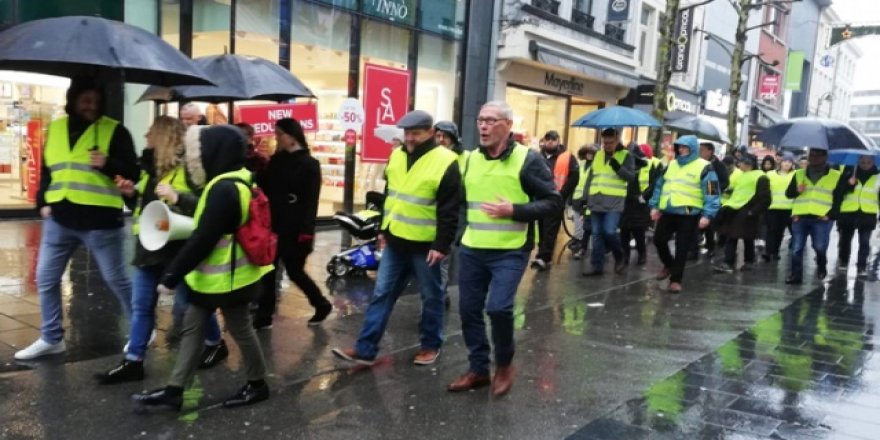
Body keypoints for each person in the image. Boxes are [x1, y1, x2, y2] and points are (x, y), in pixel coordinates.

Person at [133, 125, 274, 411]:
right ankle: (175, 390)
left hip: (227, 279)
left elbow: (203, 237)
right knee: (193, 327)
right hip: (216, 278)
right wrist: (180, 199)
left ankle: (258, 385)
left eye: (201, 152)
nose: (198, 159)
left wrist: (172, 275)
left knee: (240, 330)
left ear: (215, 152)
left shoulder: (224, 188)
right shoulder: (233, 181)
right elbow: (205, 217)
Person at [94, 117, 227, 384]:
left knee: (192, 303)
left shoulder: (191, 169)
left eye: (152, 132)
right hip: (149, 249)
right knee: (141, 305)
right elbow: (143, 210)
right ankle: (134, 361)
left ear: (165, 136)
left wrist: (178, 198)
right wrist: (130, 194)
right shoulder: (149, 168)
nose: (146, 136)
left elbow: (207, 205)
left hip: (179, 251)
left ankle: (215, 343)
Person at [15, 77, 139, 361]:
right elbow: (48, 171)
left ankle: (142, 328)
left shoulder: (115, 131)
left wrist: (108, 164)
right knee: (45, 278)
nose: (91, 106)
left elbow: (133, 173)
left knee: (117, 279)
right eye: (85, 100)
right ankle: (51, 338)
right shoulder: (56, 128)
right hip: (60, 218)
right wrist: (42, 202)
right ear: (73, 100)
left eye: (96, 101)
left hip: (100, 220)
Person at [447, 101, 561, 396]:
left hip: (510, 249)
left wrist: (515, 210)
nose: (483, 126)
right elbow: (461, 202)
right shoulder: (470, 159)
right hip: (473, 248)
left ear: (508, 126)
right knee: (469, 310)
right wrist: (459, 234)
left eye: (491, 120)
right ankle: (478, 369)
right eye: (481, 120)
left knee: (498, 308)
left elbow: (553, 202)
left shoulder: (528, 159)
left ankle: (505, 364)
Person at [332, 110, 460, 367]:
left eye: (416, 133)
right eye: (407, 133)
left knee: (431, 296)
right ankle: (365, 349)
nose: (410, 138)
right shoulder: (397, 155)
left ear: (431, 133)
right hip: (396, 241)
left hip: (426, 245)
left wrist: (442, 245)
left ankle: (430, 346)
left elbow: (450, 209)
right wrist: (383, 230)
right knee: (382, 294)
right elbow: (391, 196)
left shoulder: (446, 160)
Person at [253, 118, 332, 329]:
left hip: (295, 224)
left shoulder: (309, 164)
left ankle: (320, 303)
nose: (276, 138)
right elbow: (264, 184)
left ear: (291, 136)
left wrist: (306, 231)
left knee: (294, 269)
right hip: (274, 220)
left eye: (279, 134)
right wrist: (260, 163)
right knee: (268, 269)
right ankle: (264, 315)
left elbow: (311, 200)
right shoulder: (276, 160)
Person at [649, 135, 720, 293]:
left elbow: (712, 191)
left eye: (684, 147)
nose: (681, 150)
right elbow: (660, 185)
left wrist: (708, 215)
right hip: (668, 210)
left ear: (692, 148)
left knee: (682, 248)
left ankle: (675, 280)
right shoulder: (671, 164)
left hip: (689, 213)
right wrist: (655, 206)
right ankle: (669, 264)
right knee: (659, 240)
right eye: (679, 147)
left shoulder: (704, 166)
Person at [581, 128, 636, 276]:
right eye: (604, 142)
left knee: (609, 231)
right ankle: (597, 266)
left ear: (617, 140)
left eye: (610, 142)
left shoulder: (626, 156)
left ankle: (620, 255)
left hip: (614, 201)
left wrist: (617, 167)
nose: (607, 145)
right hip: (596, 199)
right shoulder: (598, 155)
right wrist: (584, 197)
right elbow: (591, 177)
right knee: (597, 233)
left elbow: (630, 178)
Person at [785, 148, 844, 284]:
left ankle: (822, 264)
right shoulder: (799, 173)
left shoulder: (835, 175)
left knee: (819, 247)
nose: (814, 158)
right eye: (812, 155)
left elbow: (839, 199)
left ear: (825, 157)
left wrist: (830, 215)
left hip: (821, 218)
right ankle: (796, 275)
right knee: (796, 248)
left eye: (818, 155)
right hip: (800, 216)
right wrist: (796, 190)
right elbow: (788, 194)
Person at [713, 154, 771, 273]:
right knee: (735, 236)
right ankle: (741, 261)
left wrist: (753, 212)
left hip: (747, 211)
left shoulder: (761, 177)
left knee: (742, 237)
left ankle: (737, 262)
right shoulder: (741, 175)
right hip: (735, 209)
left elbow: (765, 198)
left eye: (742, 163)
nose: (739, 165)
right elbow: (734, 190)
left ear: (749, 164)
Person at [531, 130, 579, 271]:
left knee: (550, 229)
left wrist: (562, 195)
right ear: (544, 141)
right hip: (540, 198)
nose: (550, 141)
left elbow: (574, 177)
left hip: (556, 199)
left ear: (558, 141)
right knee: (541, 228)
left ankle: (544, 257)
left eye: (553, 139)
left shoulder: (567, 157)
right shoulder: (537, 156)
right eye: (548, 139)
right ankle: (542, 254)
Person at [434, 120, 466, 307]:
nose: (440, 140)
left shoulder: (463, 158)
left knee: (443, 258)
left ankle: (440, 295)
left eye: (444, 136)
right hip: (433, 214)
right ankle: (439, 293)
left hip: (454, 216)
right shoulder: (432, 157)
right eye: (437, 136)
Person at [836, 155, 880, 277]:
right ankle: (844, 261)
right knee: (845, 240)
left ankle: (861, 266)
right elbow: (839, 192)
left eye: (868, 162)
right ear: (858, 161)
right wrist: (849, 184)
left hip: (867, 213)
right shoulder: (849, 173)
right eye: (863, 162)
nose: (865, 164)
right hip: (849, 212)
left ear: (873, 162)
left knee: (864, 242)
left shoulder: (878, 177)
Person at [619, 144, 661, 266]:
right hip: (625, 199)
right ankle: (625, 256)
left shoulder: (651, 165)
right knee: (624, 229)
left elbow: (655, 183)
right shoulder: (626, 163)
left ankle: (642, 253)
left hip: (640, 201)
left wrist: (645, 196)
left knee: (638, 230)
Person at [690, 141, 730, 260]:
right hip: (696, 199)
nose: (700, 152)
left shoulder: (718, 165)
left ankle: (711, 247)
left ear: (710, 151)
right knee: (694, 226)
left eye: (702, 150)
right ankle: (693, 250)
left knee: (709, 226)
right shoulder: (696, 163)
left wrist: (712, 189)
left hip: (711, 199)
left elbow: (724, 182)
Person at [762, 153, 796, 261]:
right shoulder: (770, 174)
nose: (787, 164)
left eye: (789, 162)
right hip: (772, 207)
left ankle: (775, 251)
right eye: (785, 161)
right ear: (780, 163)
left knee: (780, 231)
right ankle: (768, 252)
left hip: (787, 208)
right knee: (771, 230)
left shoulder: (795, 175)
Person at [571, 145, 596, 260]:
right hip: (577, 197)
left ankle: (583, 244)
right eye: (587, 153)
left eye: (591, 153)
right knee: (577, 221)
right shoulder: (581, 165)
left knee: (586, 223)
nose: (589, 155)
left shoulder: (595, 167)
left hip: (588, 198)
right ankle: (578, 240)